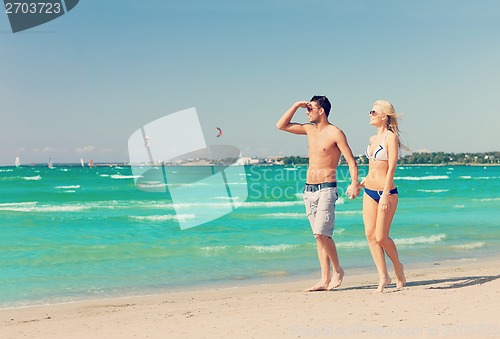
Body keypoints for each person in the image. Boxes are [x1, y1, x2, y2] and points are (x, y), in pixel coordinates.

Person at [276, 95, 360, 292]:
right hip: (309, 189)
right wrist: (296, 105)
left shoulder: (335, 133)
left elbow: (351, 161)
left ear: (321, 110)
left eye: (310, 108)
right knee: (319, 237)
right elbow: (281, 125)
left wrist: (354, 183)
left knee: (321, 232)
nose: (307, 112)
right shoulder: (308, 129)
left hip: (327, 188)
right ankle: (324, 278)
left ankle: (338, 270)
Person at [361, 99, 406, 292]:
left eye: (373, 112)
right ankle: (383, 276)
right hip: (369, 191)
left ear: (384, 116)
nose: (370, 115)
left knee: (381, 237)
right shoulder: (372, 140)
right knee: (370, 236)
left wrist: (386, 195)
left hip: (386, 192)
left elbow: (391, 167)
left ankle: (398, 268)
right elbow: (373, 167)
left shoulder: (390, 138)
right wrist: (360, 182)